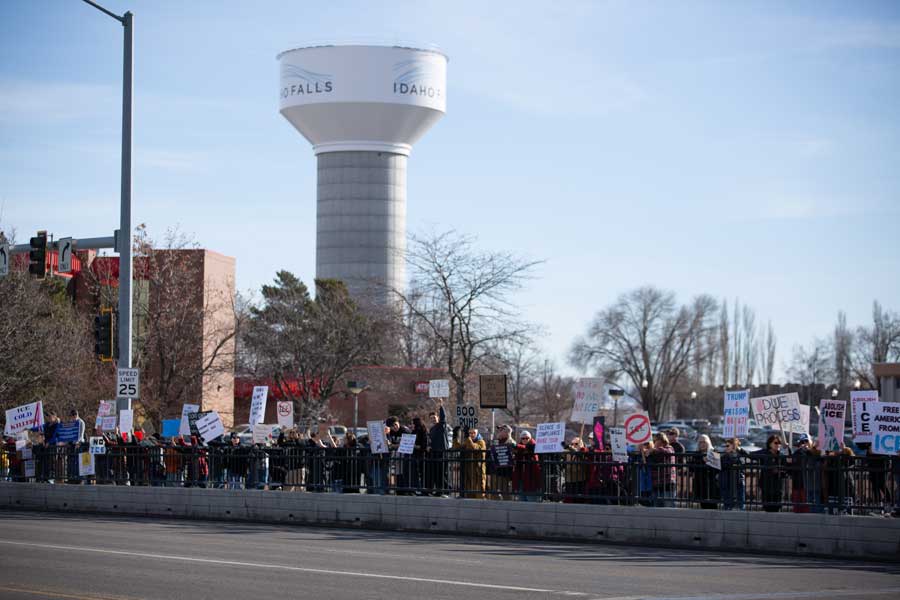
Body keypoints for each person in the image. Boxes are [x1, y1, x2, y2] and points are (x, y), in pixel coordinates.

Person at [754, 435, 787, 512]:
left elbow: (786, 468)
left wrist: (780, 471)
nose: (778, 445)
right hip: (766, 485)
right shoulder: (764, 453)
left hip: (777, 486)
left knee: (777, 506)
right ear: (770, 444)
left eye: (779, 443)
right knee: (767, 506)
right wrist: (739, 449)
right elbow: (750, 455)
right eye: (776, 443)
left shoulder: (781, 455)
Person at [426, 403, 451, 496]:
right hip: (434, 453)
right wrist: (429, 446)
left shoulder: (442, 425)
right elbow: (430, 440)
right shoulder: (432, 429)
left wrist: (441, 406)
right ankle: (438, 490)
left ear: (438, 417)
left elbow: (443, 417)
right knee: (437, 472)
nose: (433, 419)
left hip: (442, 452)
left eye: (435, 417)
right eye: (431, 418)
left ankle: (445, 490)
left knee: (443, 472)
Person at [645, 433, 676, 507]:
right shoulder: (654, 451)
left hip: (667, 484)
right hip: (656, 484)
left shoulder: (669, 448)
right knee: (656, 509)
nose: (653, 443)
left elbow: (666, 452)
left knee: (669, 508)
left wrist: (653, 450)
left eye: (655, 440)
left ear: (661, 441)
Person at [456, 427, 486, 498]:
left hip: (478, 471)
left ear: (477, 433)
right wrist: (455, 436)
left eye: (474, 433)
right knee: (469, 491)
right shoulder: (468, 441)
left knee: (479, 491)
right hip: (469, 470)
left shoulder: (481, 442)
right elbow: (457, 447)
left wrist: (468, 438)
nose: (472, 435)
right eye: (470, 433)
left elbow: (473, 448)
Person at [692, 434, 720, 509]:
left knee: (713, 507)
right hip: (700, 484)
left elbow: (718, 467)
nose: (702, 444)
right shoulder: (696, 454)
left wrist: (709, 461)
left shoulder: (715, 452)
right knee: (703, 506)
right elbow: (691, 468)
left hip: (712, 484)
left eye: (704, 442)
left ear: (708, 442)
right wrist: (701, 460)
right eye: (700, 442)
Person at [512, 431, 541, 502]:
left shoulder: (534, 445)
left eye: (527, 438)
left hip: (531, 479)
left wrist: (517, 446)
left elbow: (528, 448)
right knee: (521, 499)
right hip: (521, 478)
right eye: (523, 438)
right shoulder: (519, 447)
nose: (525, 440)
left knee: (531, 499)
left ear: (530, 438)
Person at [490, 425, 516, 499]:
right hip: (496, 470)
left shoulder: (511, 442)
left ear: (507, 432)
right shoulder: (497, 442)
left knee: (505, 491)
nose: (499, 432)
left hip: (505, 472)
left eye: (501, 430)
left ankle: (508, 506)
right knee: (494, 491)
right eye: (499, 430)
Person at [720, 437, 746, 510]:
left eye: (728, 446)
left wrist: (737, 451)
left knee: (740, 506)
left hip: (738, 483)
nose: (726, 448)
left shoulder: (740, 455)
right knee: (727, 505)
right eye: (726, 446)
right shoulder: (723, 456)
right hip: (726, 483)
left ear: (734, 446)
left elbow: (742, 463)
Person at [562, 437, 589, 503]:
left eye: (576, 444)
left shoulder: (584, 451)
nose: (573, 445)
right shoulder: (567, 452)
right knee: (569, 498)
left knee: (579, 500)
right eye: (572, 443)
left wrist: (573, 449)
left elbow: (582, 457)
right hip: (569, 479)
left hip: (579, 480)